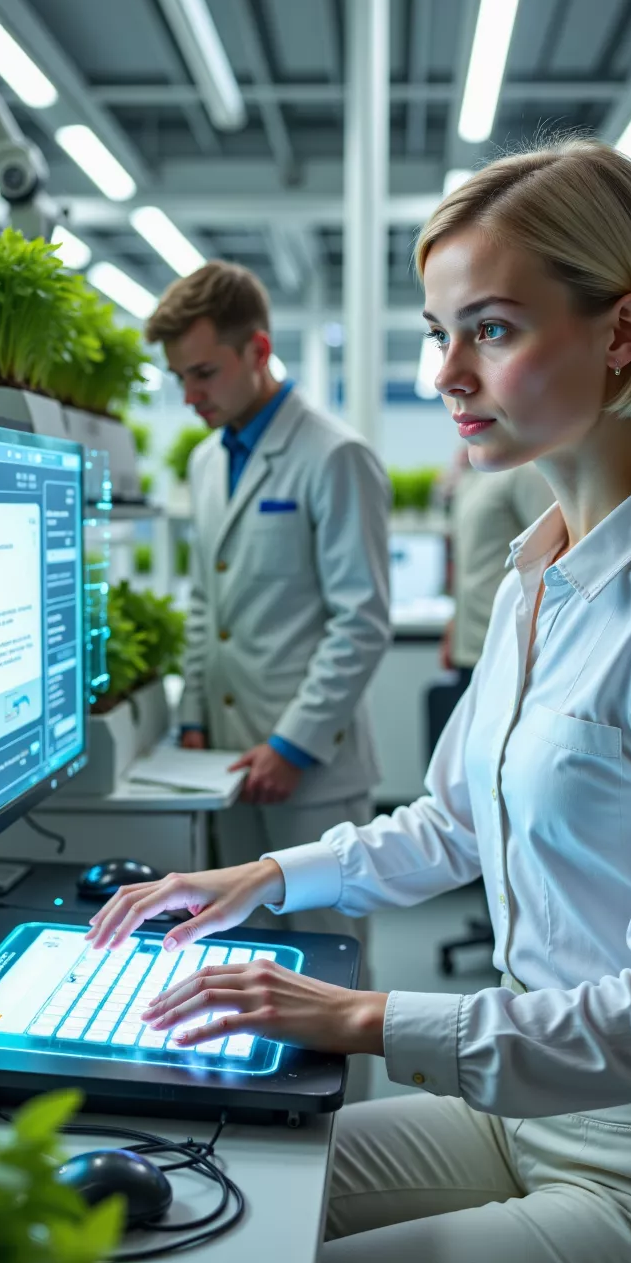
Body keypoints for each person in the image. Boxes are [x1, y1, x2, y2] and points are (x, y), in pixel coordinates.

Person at [95, 139, 631, 1263]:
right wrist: (258, 882)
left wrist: (363, 1014)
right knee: (209, 1218)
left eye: (490, 329)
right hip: (523, 1122)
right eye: (441, 332)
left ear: (624, 332)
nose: (445, 377)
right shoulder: (548, 578)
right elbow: (446, 826)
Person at [144, 260, 392, 941]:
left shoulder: (335, 455)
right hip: (222, 762)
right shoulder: (205, 461)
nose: (191, 394)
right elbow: (204, 602)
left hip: (308, 771)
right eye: (179, 377)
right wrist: (192, 715)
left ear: (257, 351)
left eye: (203, 372)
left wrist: (293, 745)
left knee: (325, 964)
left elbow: (362, 622)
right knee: (240, 955)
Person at [442, 450, 551, 692]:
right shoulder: (472, 474)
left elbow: (552, 557)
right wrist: (454, 629)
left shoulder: (524, 470)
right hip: (470, 648)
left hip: (509, 650)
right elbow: (468, 562)